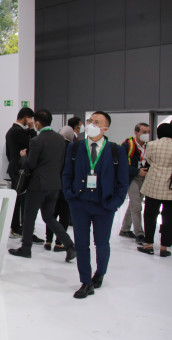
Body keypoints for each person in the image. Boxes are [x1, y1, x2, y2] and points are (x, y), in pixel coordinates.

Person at [62, 111, 129, 299]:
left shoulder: (116, 150)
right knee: (81, 244)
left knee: (101, 243)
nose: (91, 124)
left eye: (97, 122)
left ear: (105, 128)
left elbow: (123, 181)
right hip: (79, 204)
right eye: (90, 121)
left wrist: (115, 203)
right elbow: (67, 173)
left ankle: (100, 273)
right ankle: (85, 282)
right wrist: (70, 195)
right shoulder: (75, 147)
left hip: (104, 205)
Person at [9, 109, 76, 261]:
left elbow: (31, 165)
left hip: (38, 185)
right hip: (54, 184)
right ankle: (70, 245)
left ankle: (26, 248)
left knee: (29, 217)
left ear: (38, 123)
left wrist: (23, 157)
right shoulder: (60, 139)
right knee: (49, 217)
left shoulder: (36, 141)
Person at [5, 107, 43, 241]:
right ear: (26, 117)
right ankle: (18, 228)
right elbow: (34, 144)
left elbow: (8, 153)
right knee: (21, 200)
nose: (32, 121)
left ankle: (17, 227)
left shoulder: (11, 131)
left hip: (15, 167)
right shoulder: (18, 131)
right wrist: (32, 129)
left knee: (17, 199)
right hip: (20, 170)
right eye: (31, 119)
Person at [137, 123, 172, 257]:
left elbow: (149, 160)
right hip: (170, 186)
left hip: (153, 184)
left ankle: (149, 245)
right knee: (168, 217)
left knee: (150, 215)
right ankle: (164, 247)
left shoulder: (151, 145)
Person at [119, 122, 151, 243]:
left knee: (134, 204)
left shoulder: (148, 145)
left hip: (143, 178)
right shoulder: (127, 145)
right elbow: (121, 165)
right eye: (144, 132)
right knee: (137, 206)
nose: (146, 134)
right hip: (131, 178)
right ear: (136, 132)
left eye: (148, 132)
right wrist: (137, 171)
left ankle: (125, 229)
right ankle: (140, 234)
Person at [44, 126, 75, 250]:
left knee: (51, 214)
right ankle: (59, 243)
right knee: (64, 215)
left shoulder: (53, 146)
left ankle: (48, 241)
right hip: (66, 187)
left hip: (52, 184)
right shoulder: (72, 148)